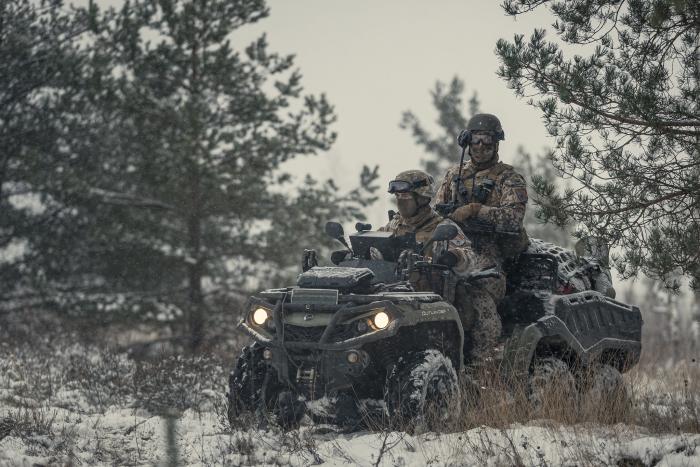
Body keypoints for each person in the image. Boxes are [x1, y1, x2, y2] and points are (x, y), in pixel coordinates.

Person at [434, 113, 530, 362]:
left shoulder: (509, 179)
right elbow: (435, 215)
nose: (480, 147)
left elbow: (513, 219)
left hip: (488, 258)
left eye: (487, 140)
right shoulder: (453, 176)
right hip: (450, 251)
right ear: (467, 141)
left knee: (478, 301)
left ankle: (485, 364)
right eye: (476, 140)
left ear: (496, 143)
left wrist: (477, 210)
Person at [379, 169, 498, 362]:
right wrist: (356, 253)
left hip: (431, 302)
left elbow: (471, 258)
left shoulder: (442, 227)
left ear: (422, 198)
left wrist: (456, 256)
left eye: (406, 196)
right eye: (398, 196)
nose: (401, 201)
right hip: (395, 297)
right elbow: (376, 250)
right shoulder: (393, 226)